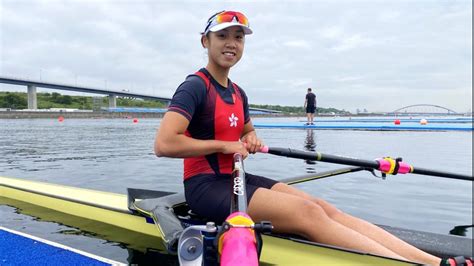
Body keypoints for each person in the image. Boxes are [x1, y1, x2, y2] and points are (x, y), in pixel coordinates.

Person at [155, 10, 444, 265]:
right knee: (308, 213)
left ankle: (432, 261)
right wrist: (224, 145)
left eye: (239, 37)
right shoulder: (194, 87)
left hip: (234, 178)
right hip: (204, 187)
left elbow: (246, 131)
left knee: (322, 207)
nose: (231, 43)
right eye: (223, 36)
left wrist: (252, 138)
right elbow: (164, 144)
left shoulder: (238, 93)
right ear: (205, 41)